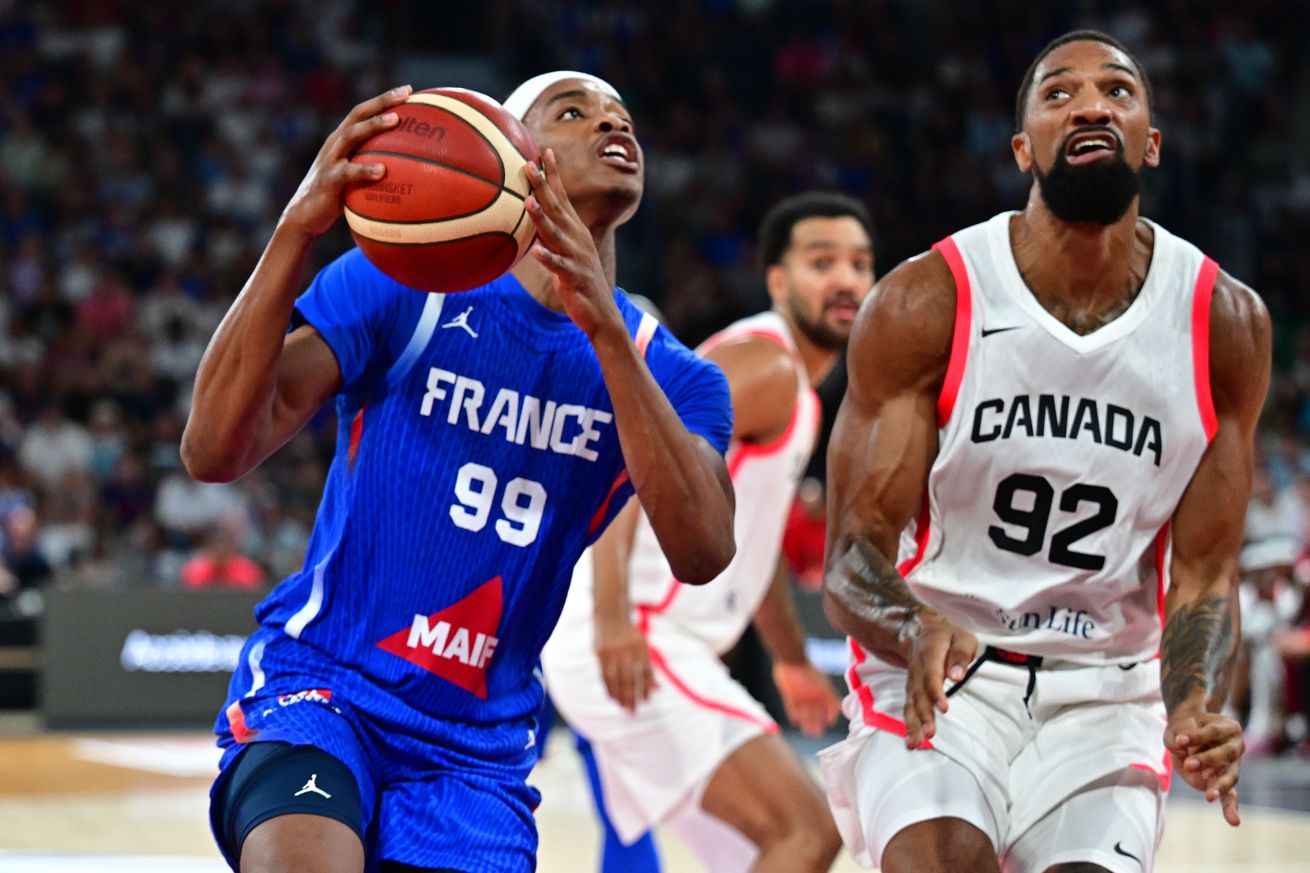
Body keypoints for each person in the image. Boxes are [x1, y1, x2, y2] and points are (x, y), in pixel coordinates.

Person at [181, 71, 736, 873]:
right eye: (574, 112)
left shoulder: (674, 373)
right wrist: (297, 232)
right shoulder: (407, 288)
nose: (614, 127)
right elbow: (214, 450)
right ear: (514, 149)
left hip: (475, 747)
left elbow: (704, 549)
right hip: (327, 688)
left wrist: (604, 330)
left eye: (624, 117)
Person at [819, 30, 1269, 873]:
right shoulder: (928, 301)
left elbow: (1205, 574)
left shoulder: (1223, 324)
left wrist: (1196, 703)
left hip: (1107, 687)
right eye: (1059, 92)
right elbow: (851, 556)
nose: (1092, 103)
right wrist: (909, 624)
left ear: (1153, 141)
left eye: (1119, 91)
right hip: (943, 670)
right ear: (1022, 147)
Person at [544, 191, 875, 872]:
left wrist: (786, 657)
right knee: (806, 831)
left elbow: (754, 551)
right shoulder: (770, 365)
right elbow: (641, 454)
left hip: (650, 639)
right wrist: (612, 617)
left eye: (860, 263)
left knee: (767, 849)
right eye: (822, 262)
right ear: (779, 281)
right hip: (634, 635)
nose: (845, 278)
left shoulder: (798, 395)